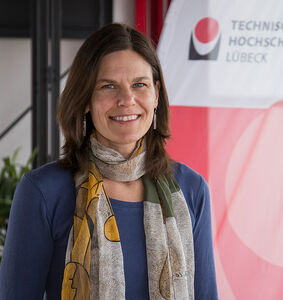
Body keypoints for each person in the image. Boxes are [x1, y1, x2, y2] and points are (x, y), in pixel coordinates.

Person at [0, 23, 218, 300]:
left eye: (139, 85)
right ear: (86, 100)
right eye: (108, 86)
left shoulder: (191, 189)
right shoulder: (43, 191)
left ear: (156, 95)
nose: (126, 99)